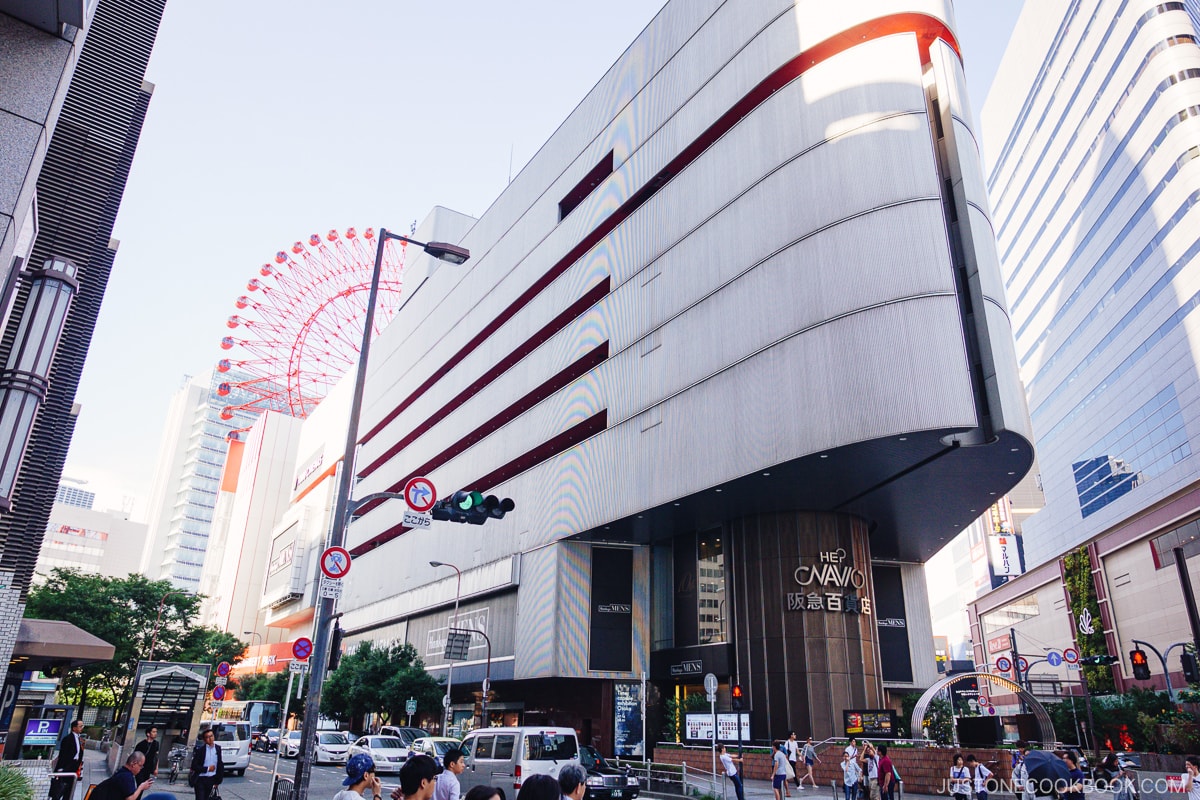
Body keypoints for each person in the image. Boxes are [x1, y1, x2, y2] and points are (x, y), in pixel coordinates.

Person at [50, 719, 86, 800]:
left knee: (70, 789)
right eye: (80, 726)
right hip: (66, 766)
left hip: (75, 766)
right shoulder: (67, 739)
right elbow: (63, 755)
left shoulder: (80, 739)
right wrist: (60, 768)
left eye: (82, 726)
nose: (82, 728)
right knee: (60, 788)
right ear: (74, 728)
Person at [189, 728, 223, 800]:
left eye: (211, 736)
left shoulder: (218, 748)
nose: (210, 739)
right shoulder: (200, 750)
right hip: (200, 779)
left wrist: (218, 781)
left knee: (207, 798)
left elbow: (220, 765)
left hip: (211, 779)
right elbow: (194, 765)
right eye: (207, 737)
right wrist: (207, 769)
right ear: (204, 740)